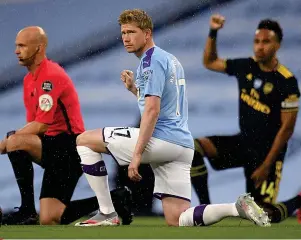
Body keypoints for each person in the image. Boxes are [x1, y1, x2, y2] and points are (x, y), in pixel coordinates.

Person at [75, 9, 270, 227]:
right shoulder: (170, 60)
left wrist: (137, 155)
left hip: (161, 140)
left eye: (131, 32)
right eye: (123, 33)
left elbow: (152, 111)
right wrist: (134, 90)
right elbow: (163, 103)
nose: (126, 38)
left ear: (147, 33)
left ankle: (107, 212)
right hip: (182, 146)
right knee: (177, 218)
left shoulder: (150, 61)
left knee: (84, 141)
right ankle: (236, 208)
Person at [0, 26, 132, 225]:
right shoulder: (29, 80)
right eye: (16, 46)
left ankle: (27, 209)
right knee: (50, 218)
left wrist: (7, 142)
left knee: (15, 141)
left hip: (69, 148)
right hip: (53, 148)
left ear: (39, 47)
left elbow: (42, 125)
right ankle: (116, 199)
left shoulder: (50, 76)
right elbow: (33, 125)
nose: (17, 51)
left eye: (22, 46)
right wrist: (12, 139)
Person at [191, 14, 301, 223]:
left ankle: (298, 202)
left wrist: (267, 165)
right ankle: (206, 209)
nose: (259, 47)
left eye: (266, 42)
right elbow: (210, 61)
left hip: (267, 154)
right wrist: (213, 32)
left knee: (261, 217)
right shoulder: (246, 66)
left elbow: (286, 129)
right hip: (243, 143)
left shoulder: (287, 81)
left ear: (277, 45)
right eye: (257, 41)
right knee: (193, 147)